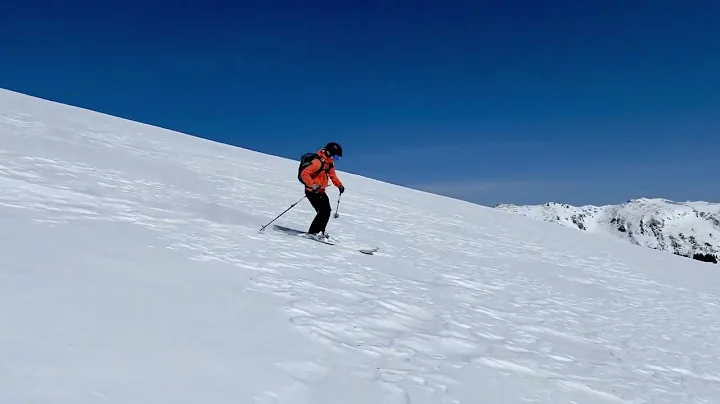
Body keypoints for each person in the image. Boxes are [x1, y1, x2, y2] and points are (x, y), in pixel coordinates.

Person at [299, 142, 345, 239]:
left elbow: (333, 176)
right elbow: (304, 174)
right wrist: (313, 185)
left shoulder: (329, 164)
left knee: (326, 211)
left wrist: (339, 185)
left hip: (320, 191)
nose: (335, 159)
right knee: (323, 211)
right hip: (312, 191)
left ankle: (320, 232)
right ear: (329, 153)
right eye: (336, 157)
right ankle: (313, 232)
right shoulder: (317, 162)